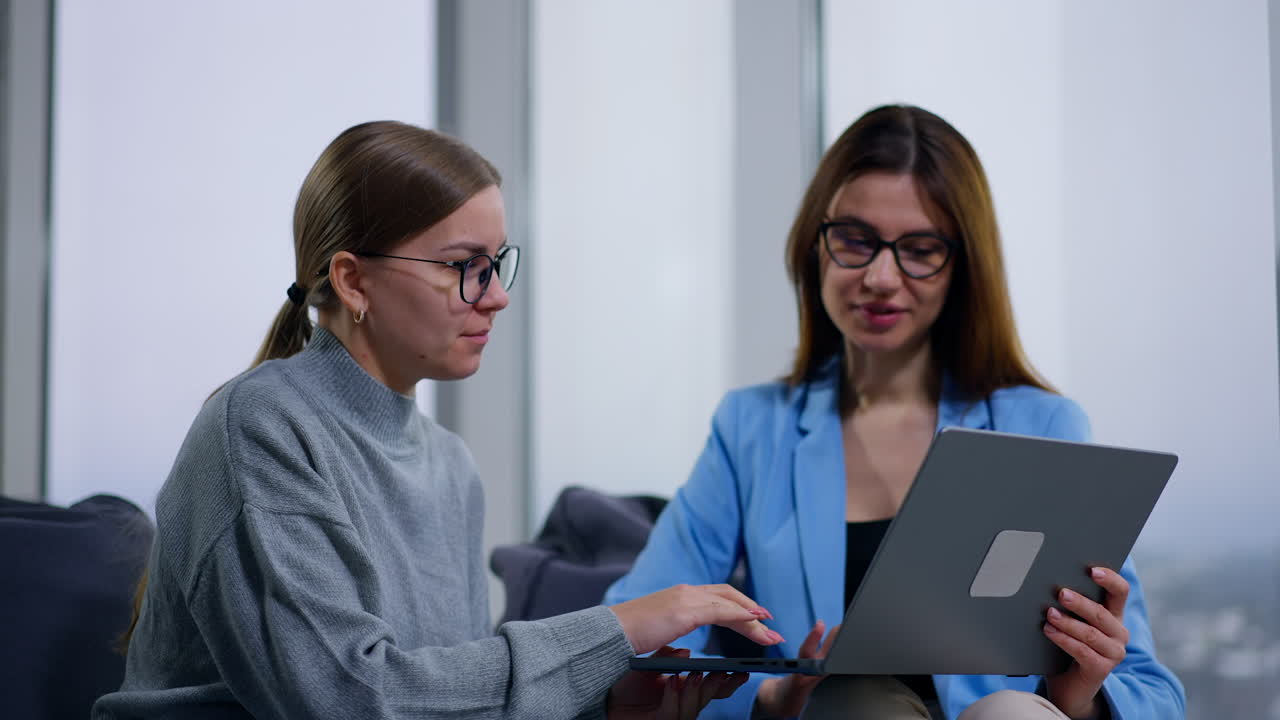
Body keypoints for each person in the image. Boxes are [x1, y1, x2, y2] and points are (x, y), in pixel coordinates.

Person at [92, 121, 784, 719]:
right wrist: (618, 631)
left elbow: (438, 697)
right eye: (465, 266)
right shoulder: (260, 427)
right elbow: (346, 699)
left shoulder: (450, 464)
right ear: (353, 281)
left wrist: (605, 707)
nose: (498, 296)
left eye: (497, 263)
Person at [604, 105, 1185, 720]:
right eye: (856, 240)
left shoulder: (1046, 427)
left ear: (962, 266)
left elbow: (1152, 691)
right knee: (858, 701)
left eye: (920, 249)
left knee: (1010, 713)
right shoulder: (751, 429)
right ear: (815, 246)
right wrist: (770, 698)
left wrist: (1079, 699)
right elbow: (634, 641)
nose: (882, 277)